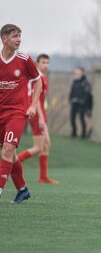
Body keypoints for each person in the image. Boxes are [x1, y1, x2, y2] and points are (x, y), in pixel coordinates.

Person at [0, 24, 42, 203]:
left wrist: (32, 106)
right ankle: (23, 189)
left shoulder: (25, 60)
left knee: (8, 149)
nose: (19, 40)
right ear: (4, 39)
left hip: (17, 113)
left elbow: (38, 82)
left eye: (19, 36)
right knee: (11, 154)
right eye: (15, 36)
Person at [17, 54, 59, 184]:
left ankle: (43, 177)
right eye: (43, 62)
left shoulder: (43, 77)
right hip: (37, 116)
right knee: (38, 147)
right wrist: (41, 118)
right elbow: (36, 101)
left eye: (48, 63)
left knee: (46, 145)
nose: (46, 65)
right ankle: (12, 162)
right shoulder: (37, 77)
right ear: (37, 63)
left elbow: (42, 100)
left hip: (41, 115)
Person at [69, 67, 92, 138]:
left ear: (83, 73)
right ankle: (74, 132)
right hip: (74, 102)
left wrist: (83, 101)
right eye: (75, 73)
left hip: (82, 104)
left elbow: (87, 94)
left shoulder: (85, 83)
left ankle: (83, 134)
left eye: (78, 73)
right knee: (72, 117)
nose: (76, 75)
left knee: (82, 118)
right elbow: (71, 92)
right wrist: (71, 99)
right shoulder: (74, 82)